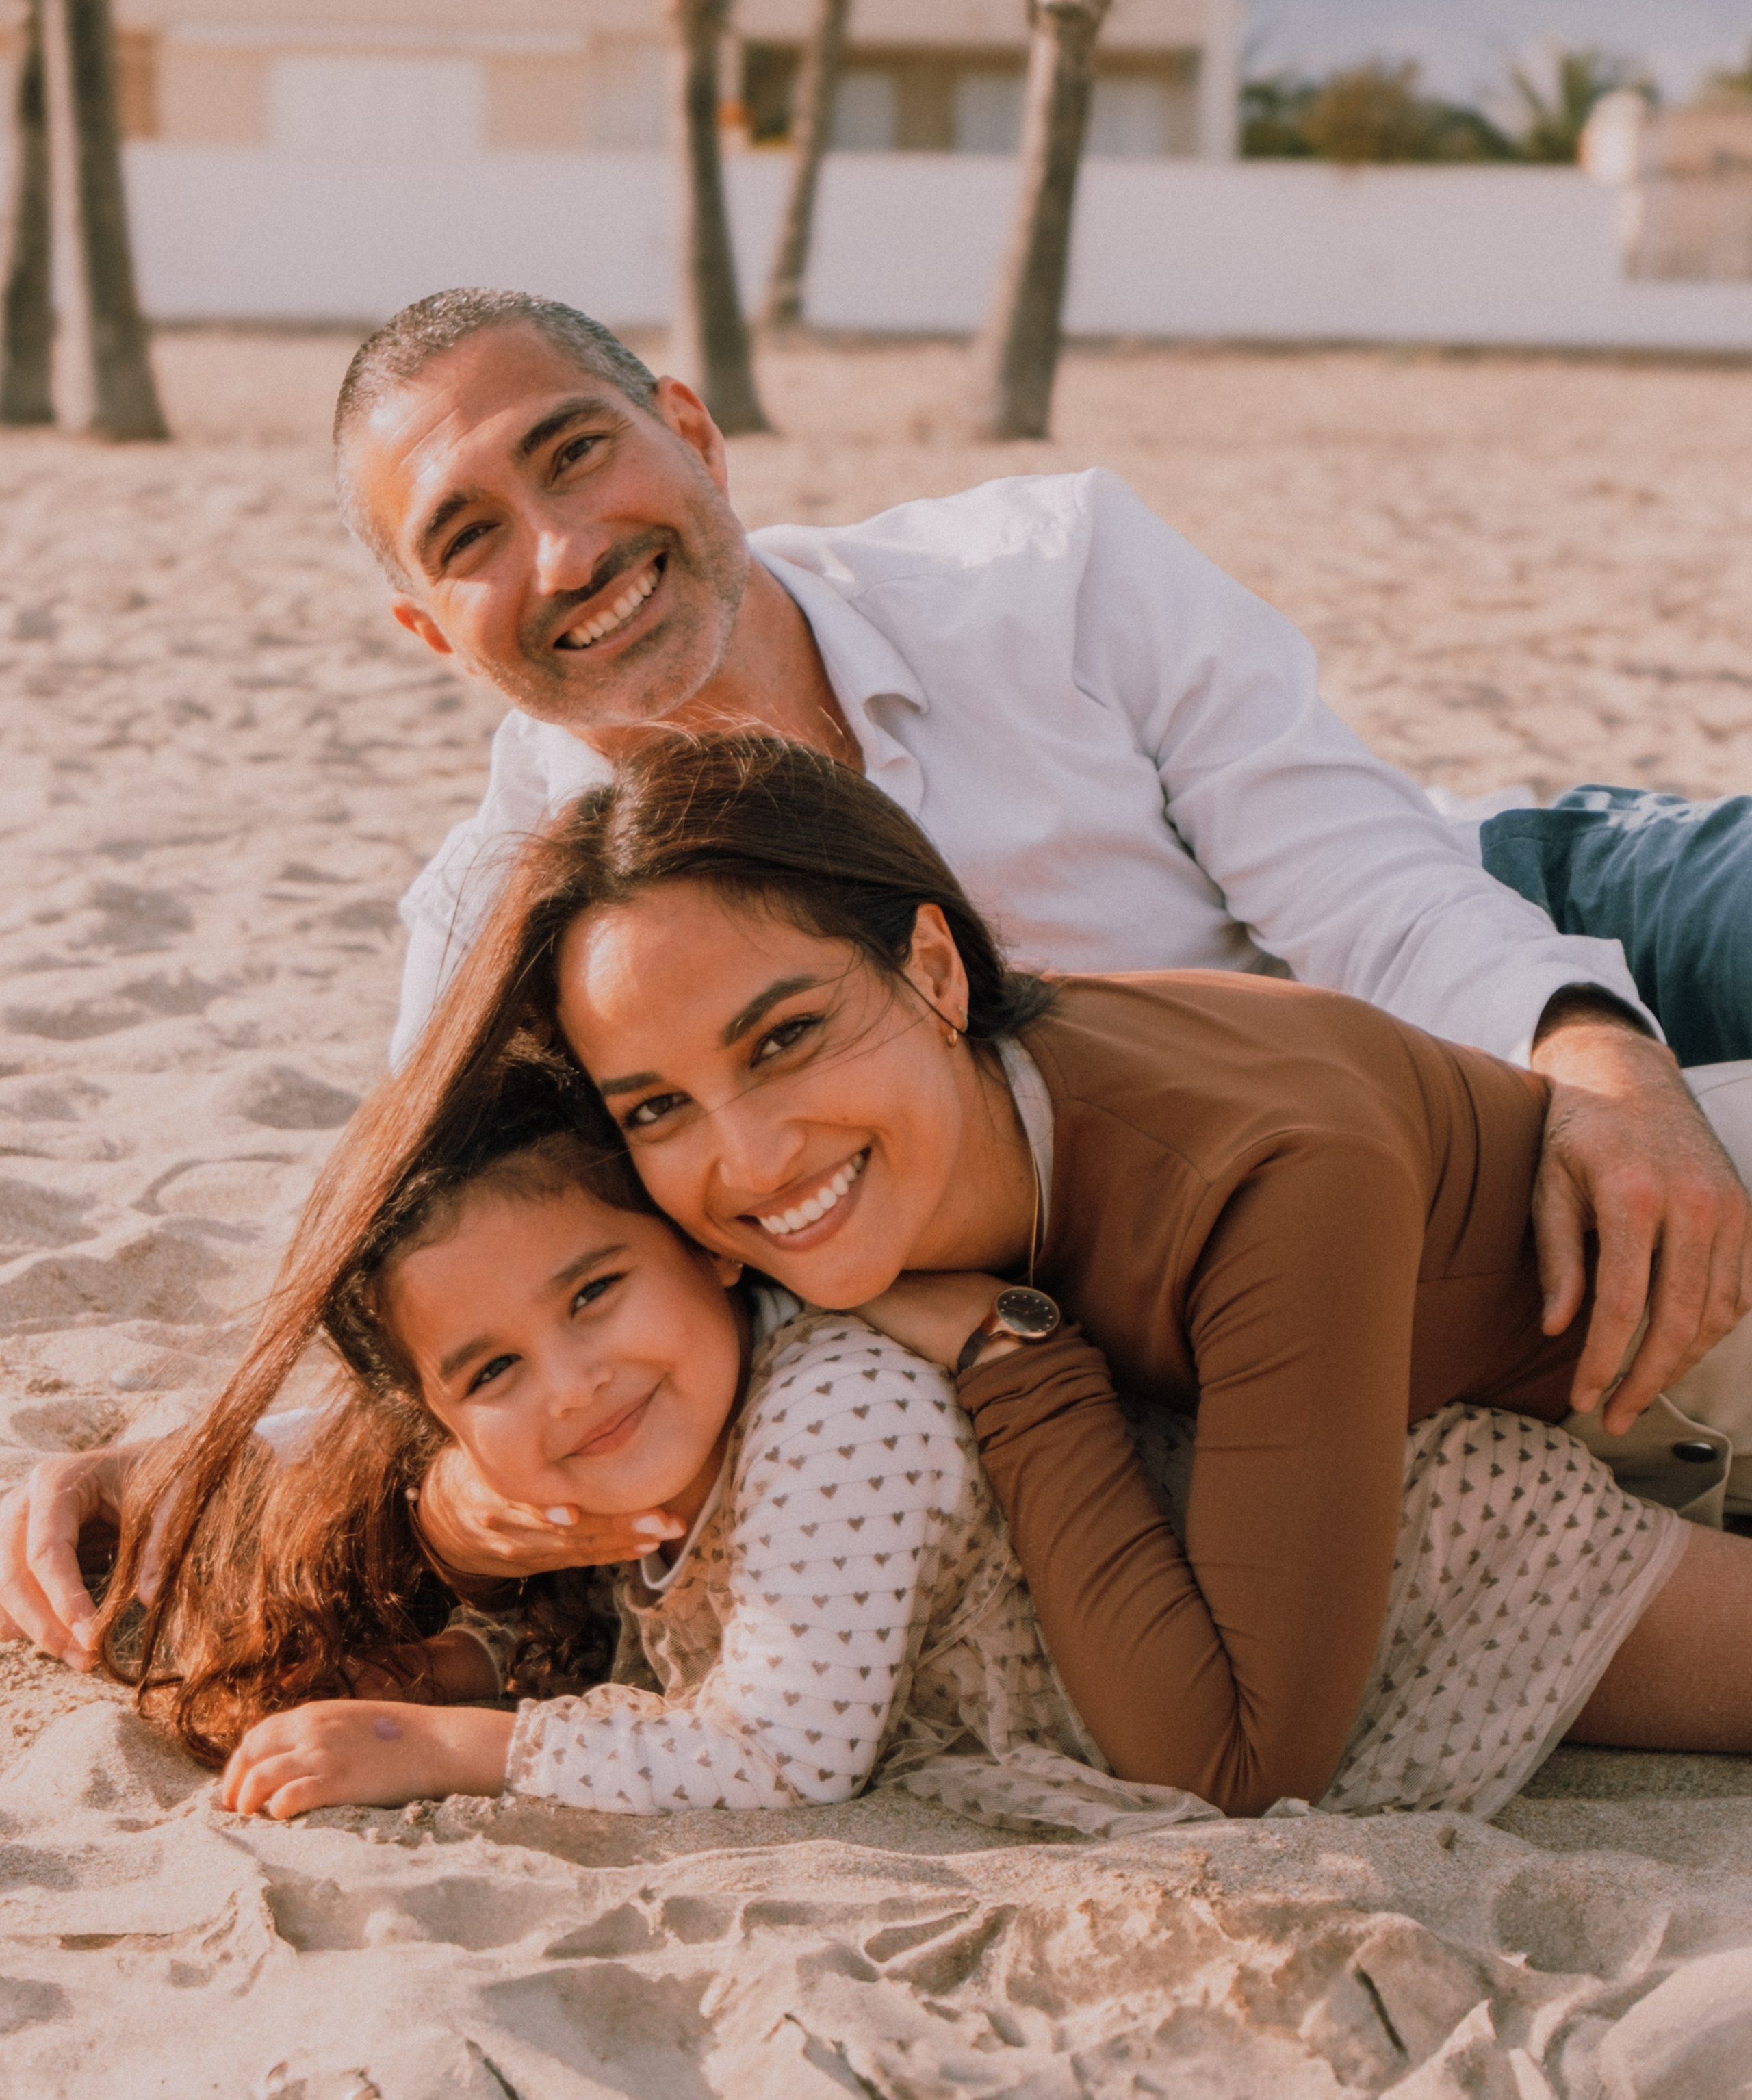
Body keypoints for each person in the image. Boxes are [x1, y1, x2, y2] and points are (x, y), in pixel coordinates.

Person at [5, 289, 1749, 1665]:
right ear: (424, 632)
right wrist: (199, 1455)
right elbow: (457, 1282)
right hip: (1319, 1161)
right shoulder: (499, 927)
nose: (559, 553)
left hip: (1496, 904)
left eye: (574, 453)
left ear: (686, 433)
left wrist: (1593, 1053)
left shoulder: (1047, 568)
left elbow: (1360, 884)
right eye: (464, 536)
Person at [201, 732, 1752, 1821]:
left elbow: (1236, 1767)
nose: (746, 1160)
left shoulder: (1254, 1183)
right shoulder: (771, 1205)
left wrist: (1012, 1365)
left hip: (1692, 1316)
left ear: (934, 971)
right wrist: (456, 1515)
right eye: (658, 1108)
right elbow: (495, 1321)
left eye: (786, 1036)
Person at [120, 1060, 1103, 1825]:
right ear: (445, 1432)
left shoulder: (843, 1405)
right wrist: (470, 1663)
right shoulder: (644, 1442)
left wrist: (442, 1745)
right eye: (493, 1373)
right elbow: (638, 1645)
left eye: (594, 1294)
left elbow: (785, 1756)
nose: (573, 1384)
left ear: (707, 1246)